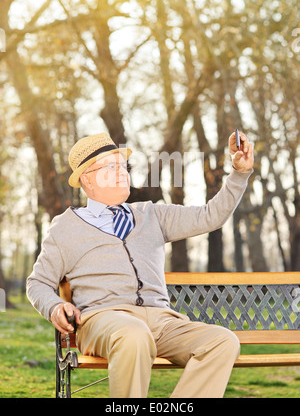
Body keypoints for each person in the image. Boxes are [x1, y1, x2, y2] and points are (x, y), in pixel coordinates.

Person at [27, 130, 254, 398]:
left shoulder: (152, 214)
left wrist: (239, 174)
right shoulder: (65, 227)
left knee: (222, 341)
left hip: (163, 322)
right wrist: (54, 306)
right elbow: (38, 282)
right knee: (134, 334)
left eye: (123, 166)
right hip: (104, 320)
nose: (122, 172)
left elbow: (211, 216)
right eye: (111, 167)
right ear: (87, 178)